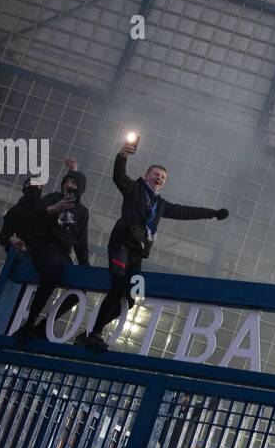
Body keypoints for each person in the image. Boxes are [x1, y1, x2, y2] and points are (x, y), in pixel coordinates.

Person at [79, 144, 229, 351]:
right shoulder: (134, 189)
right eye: (156, 174)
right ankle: (94, 334)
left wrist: (213, 213)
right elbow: (118, 177)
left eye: (163, 177)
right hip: (121, 244)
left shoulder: (161, 204)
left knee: (130, 300)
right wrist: (122, 156)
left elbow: (186, 212)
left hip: (137, 253)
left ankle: (89, 333)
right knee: (118, 288)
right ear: (146, 175)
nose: (160, 178)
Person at [9, 157, 91, 341]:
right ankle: (29, 323)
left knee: (80, 290)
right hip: (43, 246)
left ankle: (43, 327)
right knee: (51, 275)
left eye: (73, 184)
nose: (69, 186)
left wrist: (85, 269)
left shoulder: (82, 212)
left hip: (62, 253)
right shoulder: (52, 198)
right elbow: (32, 217)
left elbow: (81, 242)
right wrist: (54, 208)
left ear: (80, 189)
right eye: (67, 182)